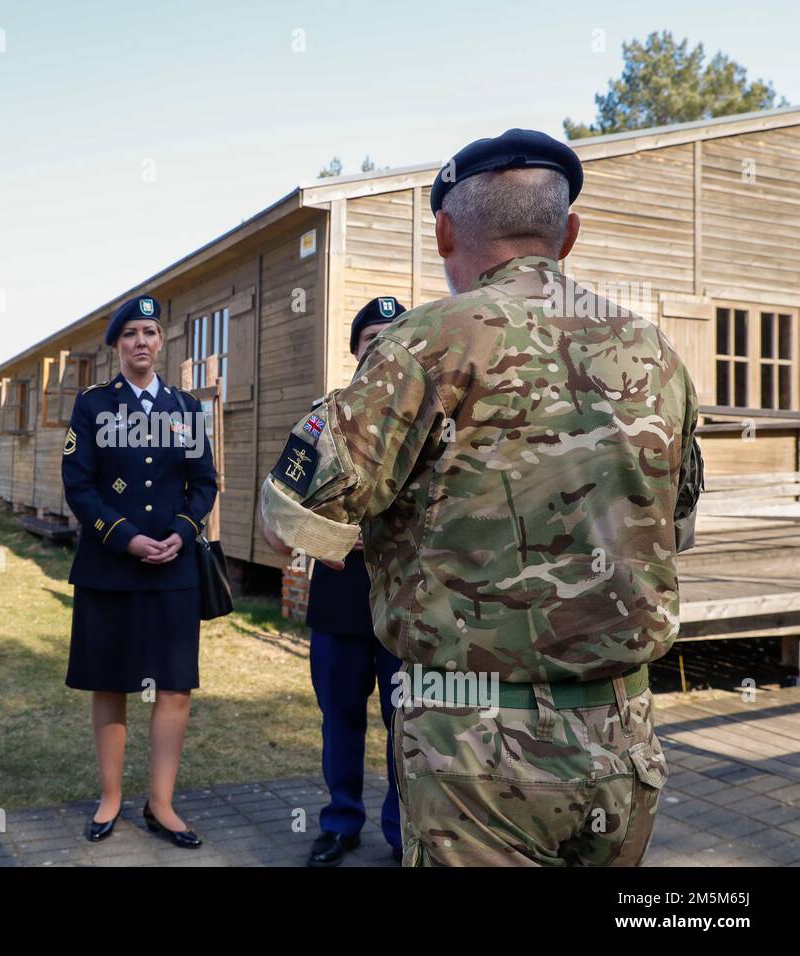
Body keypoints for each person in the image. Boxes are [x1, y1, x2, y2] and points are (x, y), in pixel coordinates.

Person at [260, 129, 704, 867]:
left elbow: (292, 523)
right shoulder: (656, 350)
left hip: (475, 749)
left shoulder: (421, 342)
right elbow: (675, 528)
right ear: (567, 234)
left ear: (443, 231)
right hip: (621, 735)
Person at [61, 294, 218, 848]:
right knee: (111, 682)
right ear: (117, 346)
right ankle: (110, 798)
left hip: (174, 568)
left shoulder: (186, 407)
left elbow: (204, 483)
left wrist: (182, 529)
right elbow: (78, 485)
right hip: (110, 566)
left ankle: (163, 803)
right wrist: (126, 539)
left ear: (163, 341)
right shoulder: (93, 406)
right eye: (130, 334)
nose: (141, 342)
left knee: (174, 686)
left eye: (149, 332)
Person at [304, 297, 405, 868]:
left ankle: (400, 831)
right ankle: (340, 822)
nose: (383, 349)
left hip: (405, 609)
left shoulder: (435, 427)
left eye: (395, 337)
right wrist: (337, 539)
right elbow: (279, 518)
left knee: (404, 726)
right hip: (340, 603)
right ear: (354, 351)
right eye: (372, 339)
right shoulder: (322, 422)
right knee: (340, 720)